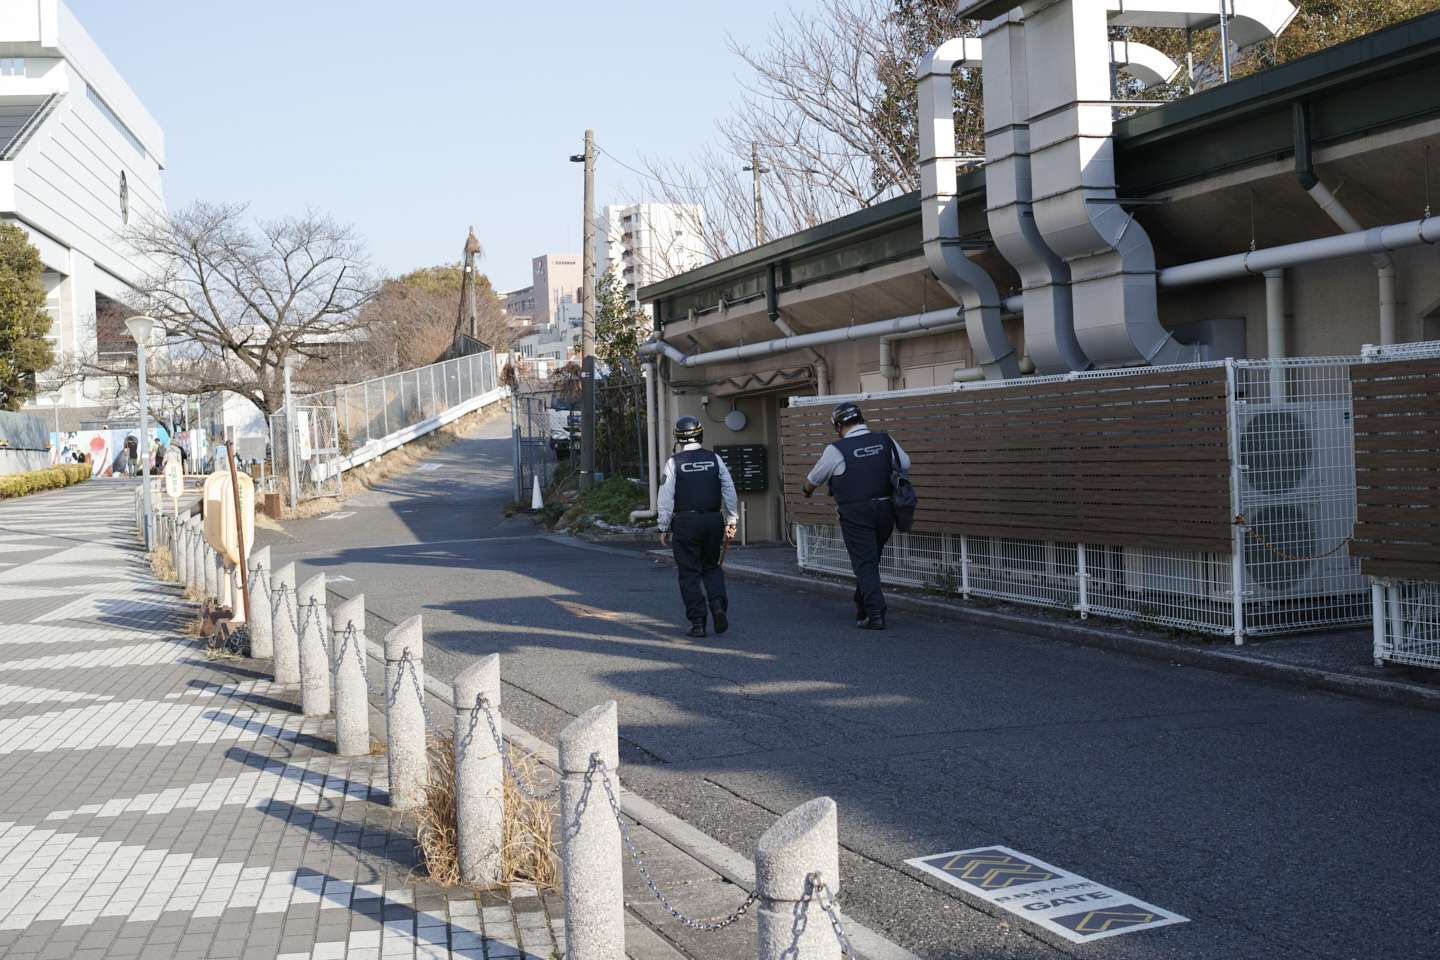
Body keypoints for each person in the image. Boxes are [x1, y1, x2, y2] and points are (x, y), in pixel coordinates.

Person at [801, 402, 911, 630]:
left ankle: (875, 613)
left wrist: (807, 491)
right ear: (860, 420)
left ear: (839, 425)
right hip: (886, 509)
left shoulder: (837, 448)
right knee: (870, 560)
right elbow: (905, 463)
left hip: (856, 512)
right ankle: (861, 604)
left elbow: (816, 476)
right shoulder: (885, 440)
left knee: (864, 563)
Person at [657, 415, 739, 638]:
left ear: (678, 438)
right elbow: (729, 490)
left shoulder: (674, 462)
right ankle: (718, 605)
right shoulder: (715, 459)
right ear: (701, 434)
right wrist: (731, 520)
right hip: (713, 520)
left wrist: (663, 526)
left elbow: (666, 497)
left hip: (686, 521)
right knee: (711, 566)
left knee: (690, 572)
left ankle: (698, 622)